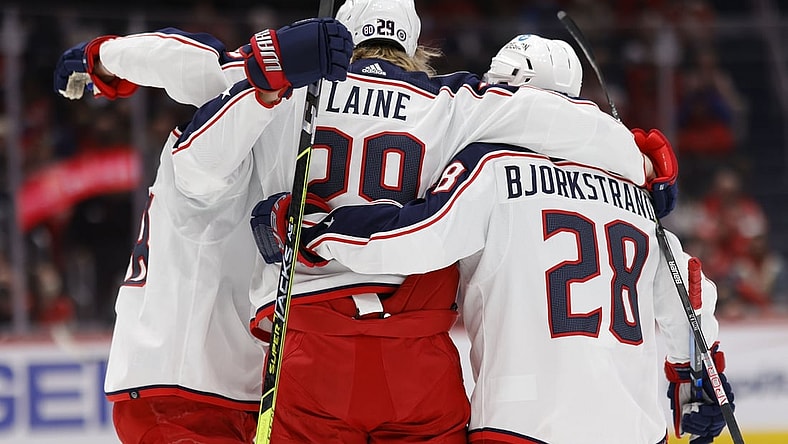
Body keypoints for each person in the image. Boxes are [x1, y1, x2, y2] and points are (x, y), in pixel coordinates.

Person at [173, 2, 662, 440]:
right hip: (418, 353)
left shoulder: (292, 92)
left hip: (308, 344)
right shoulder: (452, 103)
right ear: (413, 43)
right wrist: (642, 164)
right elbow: (555, 116)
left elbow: (196, 166)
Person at [257, 35, 736, 444]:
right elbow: (687, 288)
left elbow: (416, 236)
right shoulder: (635, 190)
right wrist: (699, 376)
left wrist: (316, 232)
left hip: (523, 420)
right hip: (635, 425)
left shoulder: (494, 168)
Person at [53, 19, 354, 444]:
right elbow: (206, 83)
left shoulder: (268, 119)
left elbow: (186, 59)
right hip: (183, 393)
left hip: (226, 390)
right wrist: (269, 78)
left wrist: (103, 58)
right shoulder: (211, 153)